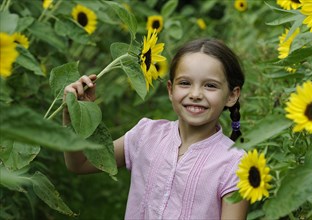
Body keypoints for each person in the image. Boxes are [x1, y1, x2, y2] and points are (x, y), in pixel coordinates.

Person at [63, 38, 249, 219]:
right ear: (170, 89)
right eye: (185, 83)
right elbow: (80, 163)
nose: (195, 94)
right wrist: (74, 113)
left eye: (210, 86)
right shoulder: (146, 135)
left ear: (232, 95)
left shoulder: (235, 165)